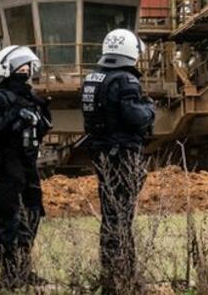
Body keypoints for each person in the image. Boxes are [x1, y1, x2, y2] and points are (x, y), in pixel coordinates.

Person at [80, 29, 156, 293]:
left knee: (111, 215)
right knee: (122, 216)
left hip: (102, 154)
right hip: (123, 154)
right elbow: (136, 117)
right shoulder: (126, 81)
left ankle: (110, 273)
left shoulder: (93, 78)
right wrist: (150, 108)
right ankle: (123, 273)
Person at [0, 45, 52, 289]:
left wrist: (40, 117)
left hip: (29, 161)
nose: (25, 71)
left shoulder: (32, 97)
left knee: (33, 213)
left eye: (27, 67)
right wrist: (15, 117)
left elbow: (42, 128)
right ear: (7, 69)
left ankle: (24, 268)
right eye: (20, 67)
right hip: (9, 163)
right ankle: (9, 274)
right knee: (9, 217)